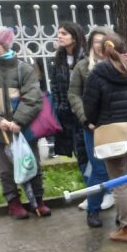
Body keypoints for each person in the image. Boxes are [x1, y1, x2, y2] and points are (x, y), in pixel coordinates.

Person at [82, 31, 127, 243]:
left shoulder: (97, 75)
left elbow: (89, 109)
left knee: (119, 181)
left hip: (113, 134)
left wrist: (97, 121)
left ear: (102, 51)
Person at [0, 26, 50, 219]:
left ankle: (38, 201)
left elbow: (33, 98)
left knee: (31, 164)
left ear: (6, 45)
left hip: (24, 128)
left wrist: (19, 121)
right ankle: (14, 204)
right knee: (6, 169)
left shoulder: (24, 69)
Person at [69, 25, 113, 228]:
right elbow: (74, 94)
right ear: (90, 44)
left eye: (103, 41)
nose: (100, 45)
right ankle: (93, 209)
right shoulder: (82, 66)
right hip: (93, 127)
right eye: (96, 41)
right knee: (99, 169)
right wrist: (86, 119)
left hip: (116, 125)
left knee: (123, 171)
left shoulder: (119, 64)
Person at [48, 22, 86, 163]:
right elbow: (54, 85)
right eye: (58, 33)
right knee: (77, 150)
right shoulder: (59, 58)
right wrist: (59, 105)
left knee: (86, 150)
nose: (59, 36)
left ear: (74, 37)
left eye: (64, 33)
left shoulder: (85, 57)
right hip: (66, 112)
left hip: (83, 111)